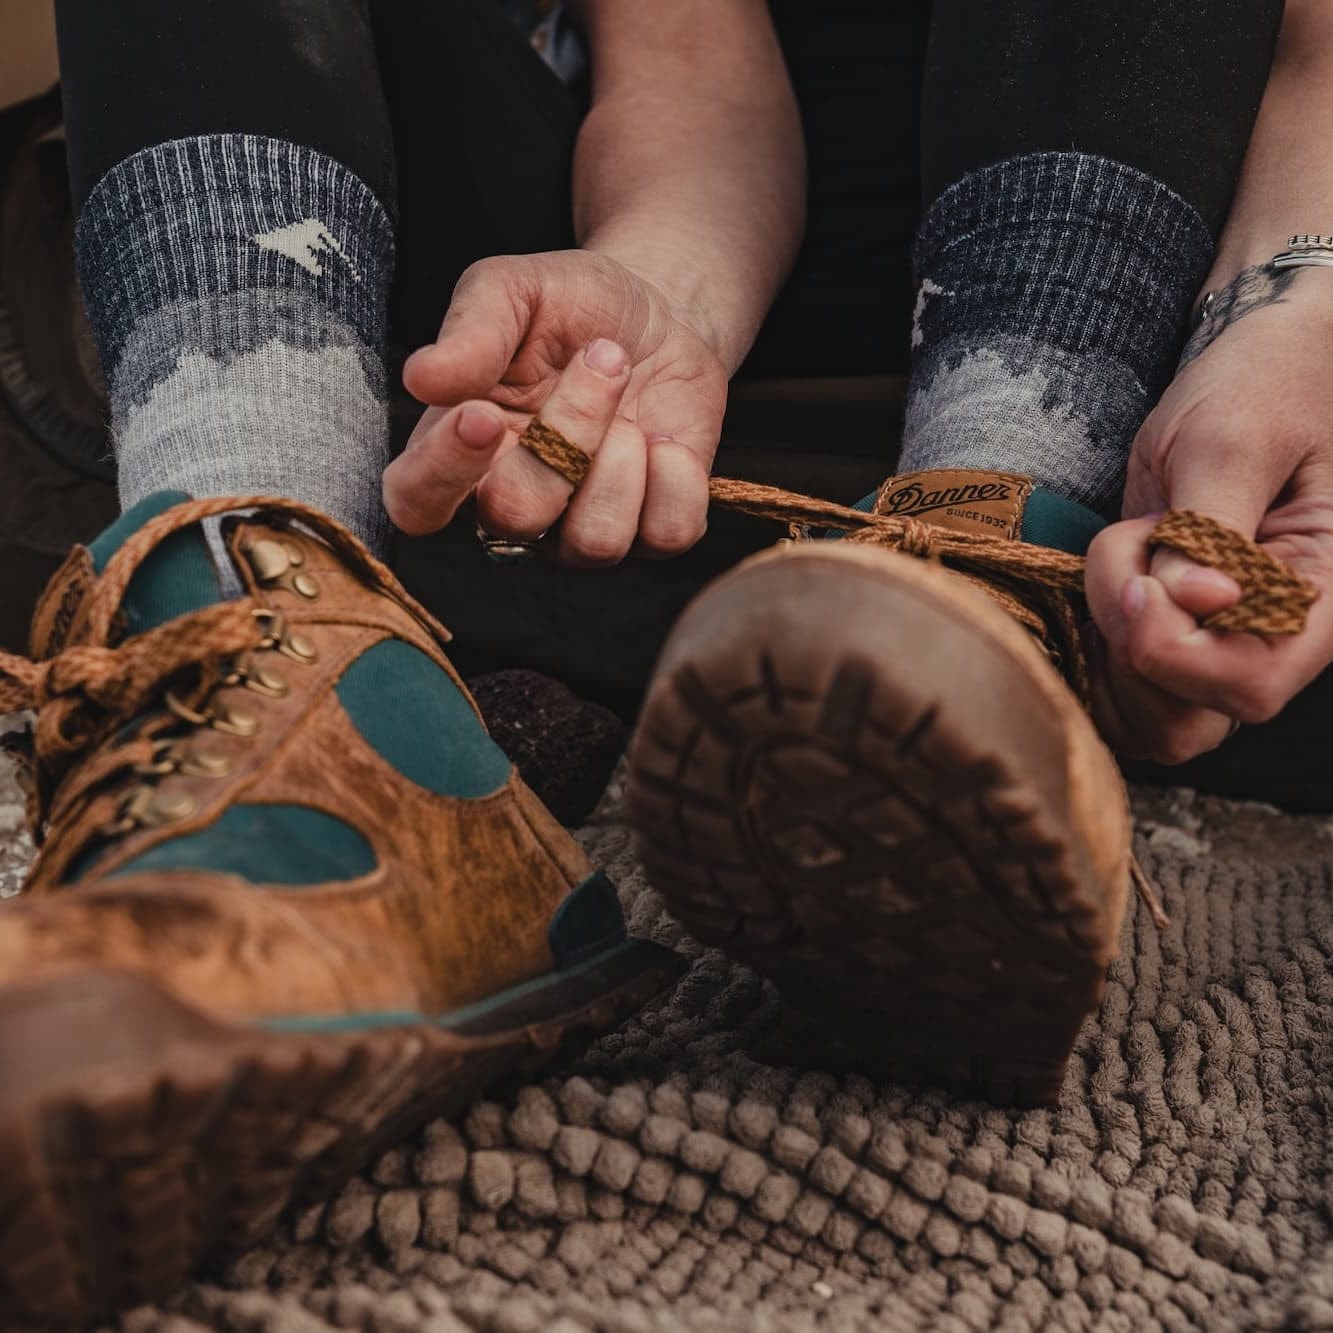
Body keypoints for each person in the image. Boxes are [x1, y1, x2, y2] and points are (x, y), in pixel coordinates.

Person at [0, 0, 1327, 1320]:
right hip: (569, 451)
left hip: (1121, 455)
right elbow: (693, 87)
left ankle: (983, 613)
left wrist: (1303, 302)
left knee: (943, 611)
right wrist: (647, 297)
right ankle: (284, 648)